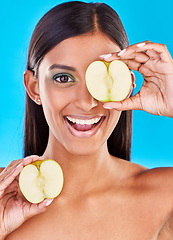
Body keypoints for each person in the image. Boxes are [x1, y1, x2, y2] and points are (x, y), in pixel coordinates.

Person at [0, 1, 173, 239]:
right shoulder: (2, 199)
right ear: (34, 88)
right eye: (63, 78)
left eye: (104, 76)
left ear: (128, 85)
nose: (87, 102)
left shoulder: (166, 197)